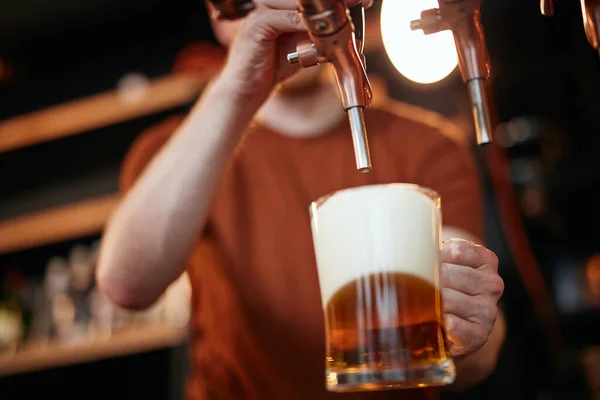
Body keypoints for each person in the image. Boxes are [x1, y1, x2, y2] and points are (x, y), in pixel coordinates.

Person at [96, 0, 506, 399]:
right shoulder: (178, 151)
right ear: (220, 14)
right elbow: (127, 284)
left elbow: (471, 343)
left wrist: (469, 334)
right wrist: (240, 86)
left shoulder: (430, 147)